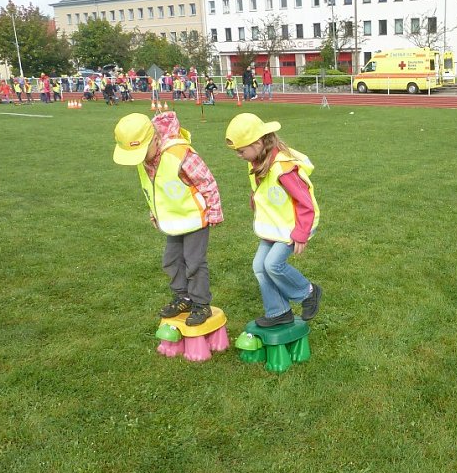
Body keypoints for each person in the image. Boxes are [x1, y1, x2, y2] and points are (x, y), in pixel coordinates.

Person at [113, 112, 224, 326]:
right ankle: (183, 298)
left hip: (194, 219)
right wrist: (156, 213)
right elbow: (154, 189)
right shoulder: (144, 158)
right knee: (171, 261)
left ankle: (201, 304)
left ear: (154, 139)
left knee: (194, 262)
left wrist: (215, 211)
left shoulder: (179, 153)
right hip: (173, 221)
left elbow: (207, 181)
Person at [224, 113, 322, 327]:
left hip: (294, 226)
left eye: (241, 151)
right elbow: (266, 190)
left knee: (273, 264)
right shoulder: (258, 161)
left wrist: (301, 233)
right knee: (259, 266)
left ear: (258, 143)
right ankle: (279, 311)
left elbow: (305, 202)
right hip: (275, 225)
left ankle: (308, 292)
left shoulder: (283, 168)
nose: (239, 156)